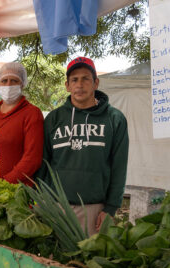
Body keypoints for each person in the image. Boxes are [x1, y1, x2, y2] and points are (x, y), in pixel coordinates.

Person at [37, 57, 129, 235]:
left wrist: (110, 208)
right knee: (51, 261)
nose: (79, 84)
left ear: (96, 83)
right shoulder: (53, 119)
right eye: (74, 79)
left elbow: (119, 166)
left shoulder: (114, 119)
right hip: (55, 206)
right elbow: (43, 161)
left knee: (86, 262)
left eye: (85, 78)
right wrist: (40, 199)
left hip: (93, 210)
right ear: (67, 85)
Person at [0, 62, 44, 185]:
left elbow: (32, 159)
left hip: (16, 190)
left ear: (22, 84)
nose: (8, 85)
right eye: (4, 80)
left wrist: (5, 183)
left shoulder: (32, 114)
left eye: (14, 80)